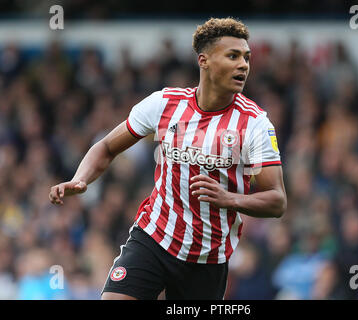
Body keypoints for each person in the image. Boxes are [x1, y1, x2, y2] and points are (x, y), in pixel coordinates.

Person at [49, 17, 287, 300]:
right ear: (205, 61)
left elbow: (277, 200)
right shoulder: (164, 104)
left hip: (207, 257)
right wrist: (81, 179)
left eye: (246, 58)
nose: (243, 65)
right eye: (233, 56)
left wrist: (229, 199)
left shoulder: (255, 123)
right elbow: (106, 147)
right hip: (154, 238)